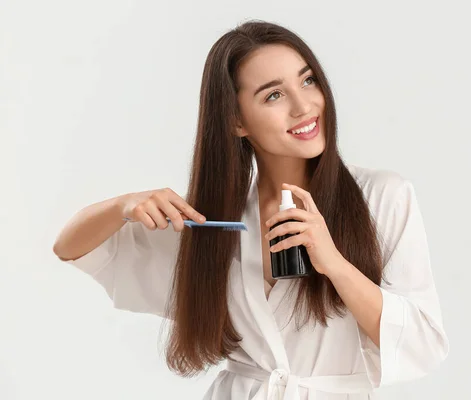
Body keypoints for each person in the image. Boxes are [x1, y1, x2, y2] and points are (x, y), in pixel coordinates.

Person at [53, 20, 449, 400]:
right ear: (237, 121)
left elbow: (422, 342)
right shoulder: (212, 221)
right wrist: (122, 205)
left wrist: (334, 263)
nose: (304, 106)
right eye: (274, 95)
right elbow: (71, 248)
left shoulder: (382, 197)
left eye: (308, 80)